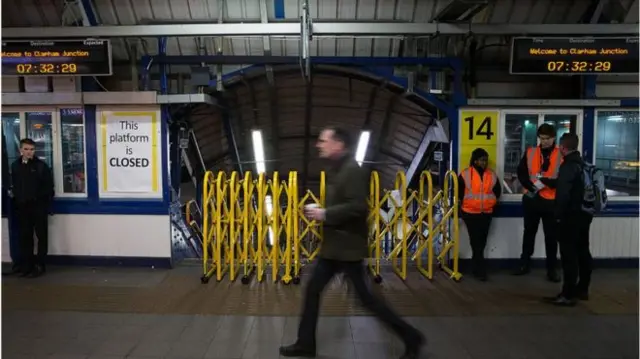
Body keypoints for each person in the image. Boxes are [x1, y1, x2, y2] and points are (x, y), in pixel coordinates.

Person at [279, 126, 425, 359]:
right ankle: (305, 344)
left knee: (367, 300)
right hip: (334, 249)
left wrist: (325, 214)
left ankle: (411, 337)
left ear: (338, 144)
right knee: (313, 290)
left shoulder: (352, 170)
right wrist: (324, 211)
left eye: (323, 141)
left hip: (348, 250)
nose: (319, 144)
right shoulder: (338, 169)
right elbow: (343, 202)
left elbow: (358, 207)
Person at [544, 133, 593, 306]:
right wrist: (551, 182)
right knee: (583, 252)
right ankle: (583, 289)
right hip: (584, 215)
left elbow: (563, 195)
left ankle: (568, 294)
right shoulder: (583, 165)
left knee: (569, 256)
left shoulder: (567, 166)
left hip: (569, 218)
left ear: (563, 148)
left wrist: (557, 217)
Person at [513, 123, 561, 282]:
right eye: (542, 138)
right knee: (529, 234)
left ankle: (551, 270)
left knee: (551, 238)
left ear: (554, 138)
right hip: (532, 200)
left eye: (547, 138)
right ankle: (524, 264)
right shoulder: (531, 152)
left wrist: (549, 183)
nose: (545, 141)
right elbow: (521, 172)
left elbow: (564, 178)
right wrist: (529, 186)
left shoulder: (561, 154)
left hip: (551, 201)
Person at [10, 138, 54, 278]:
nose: (29, 152)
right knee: (25, 236)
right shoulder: (15, 166)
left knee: (41, 236)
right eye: (26, 149)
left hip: (38, 207)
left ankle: (40, 264)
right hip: (23, 208)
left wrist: (41, 201)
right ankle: (26, 265)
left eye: (32, 149)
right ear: (20, 150)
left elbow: (49, 187)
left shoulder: (41, 166)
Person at [458, 148, 501, 281]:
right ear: (475, 160)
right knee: (476, 241)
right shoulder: (465, 175)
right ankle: (479, 269)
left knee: (481, 241)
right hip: (470, 213)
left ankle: (477, 267)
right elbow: (459, 192)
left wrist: (491, 203)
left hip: (486, 213)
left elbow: (497, 191)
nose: (484, 162)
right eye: (482, 160)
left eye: (485, 160)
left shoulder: (491, 175)